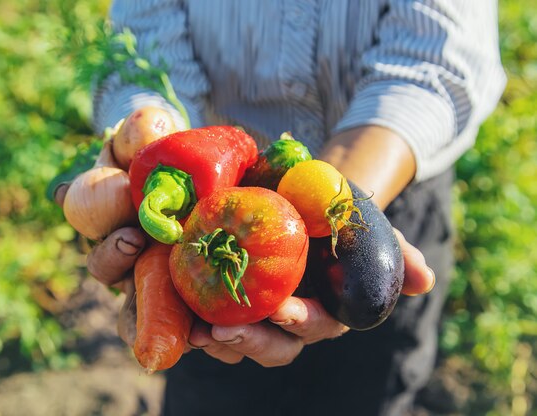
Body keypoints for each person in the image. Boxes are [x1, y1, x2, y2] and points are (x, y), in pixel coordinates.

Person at [55, 1, 506, 415]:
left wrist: (336, 208)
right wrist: (146, 141)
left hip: (380, 190)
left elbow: (430, 63)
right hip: (204, 220)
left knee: (372, 390)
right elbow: (147, 46)